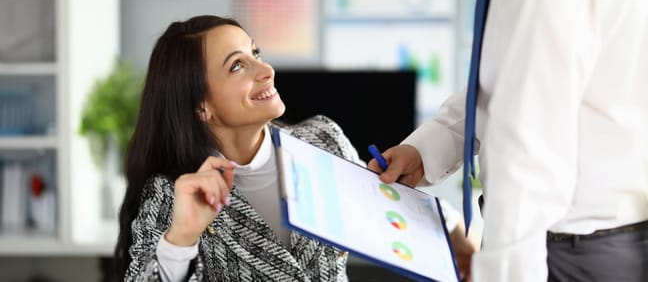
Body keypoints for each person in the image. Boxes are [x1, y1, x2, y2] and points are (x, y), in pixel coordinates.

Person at [368, 0, 648, 281]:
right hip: (604, 245)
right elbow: (519, 80)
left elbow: (527, 146)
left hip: (561, 252)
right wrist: (429, 148)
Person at [112, 15, 476, 282]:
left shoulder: (321, 140)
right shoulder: (174, 192)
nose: (266, 69)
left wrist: (456, 238)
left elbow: (384, 209)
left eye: (255, 53)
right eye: (238, 65)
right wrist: (182, 240)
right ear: (201, 106)